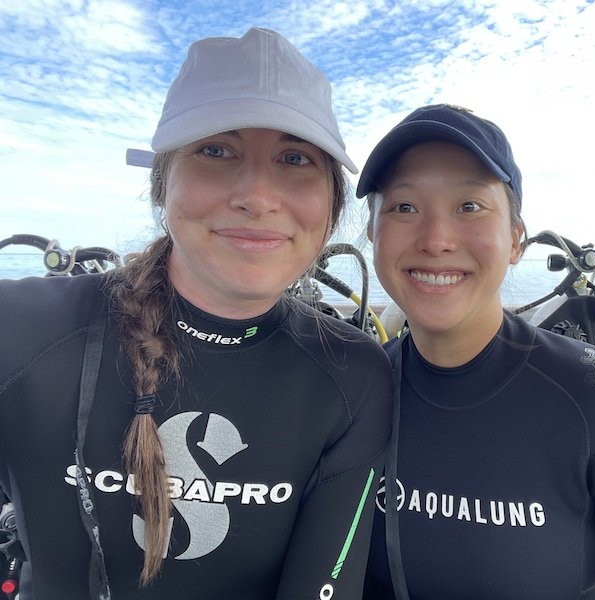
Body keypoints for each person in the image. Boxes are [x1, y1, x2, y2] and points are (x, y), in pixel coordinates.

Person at [0, 28, 392, 600]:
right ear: (163, 187)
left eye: (294, 158)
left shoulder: (353, 371)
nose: (257, 195)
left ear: (331, 206)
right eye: (216, 150)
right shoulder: (23, 327)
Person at [356, 104, 595, 599]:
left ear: (515, 240)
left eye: (469, 206)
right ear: (374, 235)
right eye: (404, 207)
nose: (436, 240)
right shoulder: (353, 397)